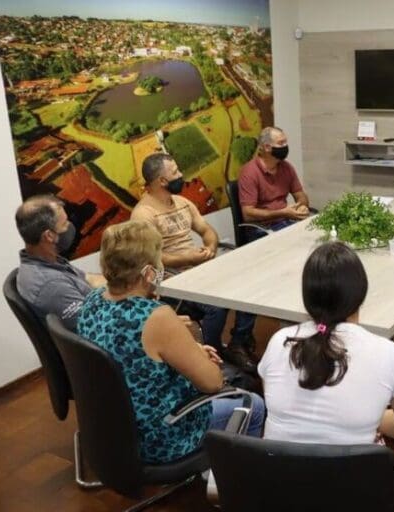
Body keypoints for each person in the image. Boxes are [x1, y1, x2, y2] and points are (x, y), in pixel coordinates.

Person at [76, 220, 265, 464]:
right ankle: (226, 485)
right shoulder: (156, 317)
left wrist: (190, 350)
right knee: (255, 405)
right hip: (160, 436)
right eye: (158, 260)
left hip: (112, 427)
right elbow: (213, 383)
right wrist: (192, 346)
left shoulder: (92, 300)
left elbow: (134, 354)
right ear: (148, 273)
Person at [259, 242, 394, 445]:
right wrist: (371, 420)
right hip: (353, 476)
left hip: (276, 474)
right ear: (361, 293)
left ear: (307, 296)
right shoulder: (386, 354)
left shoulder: (279, 342)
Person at [131, 153, 257, 371]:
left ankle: (238, 342)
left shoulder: (182, 202)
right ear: (162, 181)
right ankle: (210, 353)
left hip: (198, 267)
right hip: (171, 278)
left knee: (248, 285)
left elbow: (207, 230)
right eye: (175, 172)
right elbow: (153, 259)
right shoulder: (143, 215)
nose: (181, 175)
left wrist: (210, 247)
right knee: (216, 304)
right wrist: (190, 257)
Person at [14, 195, 105, 331]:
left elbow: (86, 278)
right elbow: (95, 327)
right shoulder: (51, 286)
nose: (70, 227)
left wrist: (121, 285)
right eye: (65, 224)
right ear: (49, 236)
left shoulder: (47, 260)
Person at [238, 126, 310, 242]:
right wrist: (282, 213)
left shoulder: (286, 167)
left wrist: (301, 206)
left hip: (286, 222)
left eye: (286, 142)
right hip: (262, 229)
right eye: (281, 143)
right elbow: (248, 214)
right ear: (267, 147)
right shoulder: (249, 172)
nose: (285, 146)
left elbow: (301, 196)